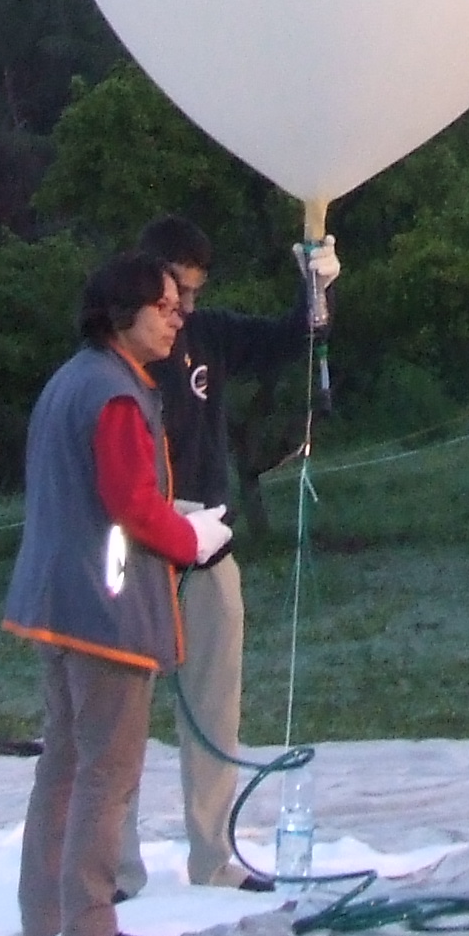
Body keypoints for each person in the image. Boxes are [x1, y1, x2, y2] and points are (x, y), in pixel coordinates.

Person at [4, 252, 234, 936]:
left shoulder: (69, 382)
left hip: (55, 602)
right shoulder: (115, 395)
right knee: (108, 769)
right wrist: (190, 538)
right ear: (120, 313)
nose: (176, 319)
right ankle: (91, 923)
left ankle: (46, 913)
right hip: (104, 612)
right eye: (164, 307)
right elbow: (131, 503)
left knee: (65, 760)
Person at [114, 215, 339, 897]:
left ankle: (212, 856)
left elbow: (292, 338)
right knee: (120, 713)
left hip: (209, 550)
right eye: (173, 293)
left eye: (194, 292)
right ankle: (115, 867)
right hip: (136, 554)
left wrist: (316, 288)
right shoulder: (119, 358)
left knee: (215, 706)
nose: (184, 308)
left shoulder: (207, 335)